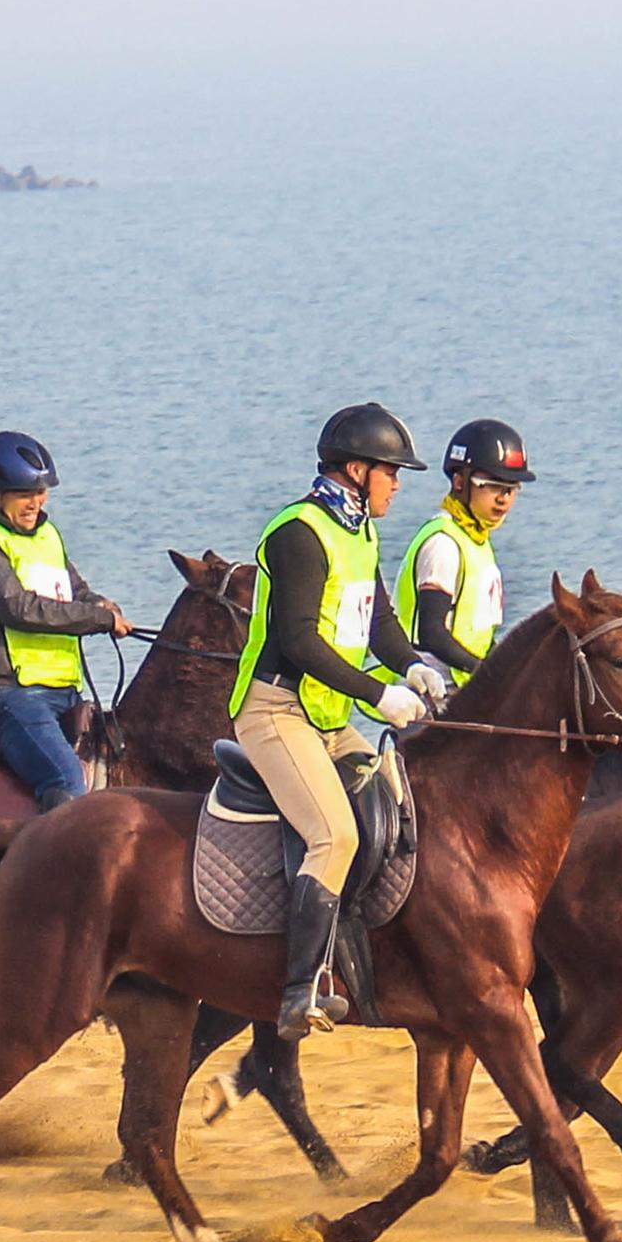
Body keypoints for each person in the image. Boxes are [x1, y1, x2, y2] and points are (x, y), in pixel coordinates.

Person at [228, 404, 456, 1044]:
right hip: (276, 713)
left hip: (327, 719)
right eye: (391, 472)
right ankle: (300, 989)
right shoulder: (298, 533)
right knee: (335, 836)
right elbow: (299, 642)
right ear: (357, 470)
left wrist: (415, 666)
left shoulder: (359, 532)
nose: (399, 483)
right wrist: (379, 695)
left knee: (398, 812)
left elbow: (379, 624)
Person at [0, 430, 130, 811]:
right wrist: (97, 618)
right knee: (65, 779)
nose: (37, 502)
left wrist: (104, 606)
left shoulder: (48, 537)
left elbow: (76, 591)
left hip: (64, 692)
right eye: (25, 494)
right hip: (6, 694)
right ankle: (43, 869)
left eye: (42, 492)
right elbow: (19, 608)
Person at [394, 417, 533, 681]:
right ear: (459, 482)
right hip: (430, 688)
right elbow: (431, 633)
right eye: (491, 485)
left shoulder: (477, 542)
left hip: (465, 685)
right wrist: (488, 674)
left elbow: (477, 634)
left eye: (511, 489)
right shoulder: (444, 543)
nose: (503, 499)